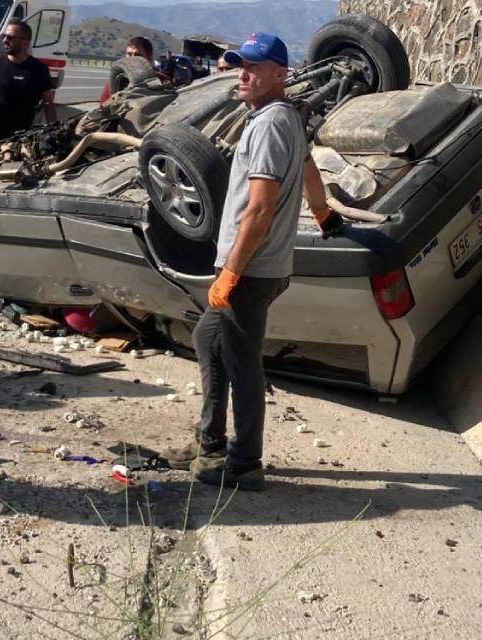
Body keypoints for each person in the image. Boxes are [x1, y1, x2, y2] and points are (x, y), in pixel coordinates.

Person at [163, 33, 342, 491]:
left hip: (252, 270)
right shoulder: (284, 118)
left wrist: (230, 273)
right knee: (209, 339)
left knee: (243, 364)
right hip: (263, 268)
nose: (242, 74)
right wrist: (321, 212)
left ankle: (244, 463)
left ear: (279, 74)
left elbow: (259, 210)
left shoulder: (267, 124)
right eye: (239, 65)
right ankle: (212, 443)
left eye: (254, 67)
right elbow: (308, 170)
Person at [0, 18, 56, 149]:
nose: (5, 40)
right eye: (4, 36)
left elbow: (48, 104)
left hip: (27, 143)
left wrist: (53, 133)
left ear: (25, 42)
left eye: (10, 37)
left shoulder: (39, 70)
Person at [98, 36, 153, 104]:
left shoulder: (161, 79)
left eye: (137, 55)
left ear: (149, 58)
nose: (132, 58)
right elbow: (103, 105)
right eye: (129, 54)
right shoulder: (116, 79)